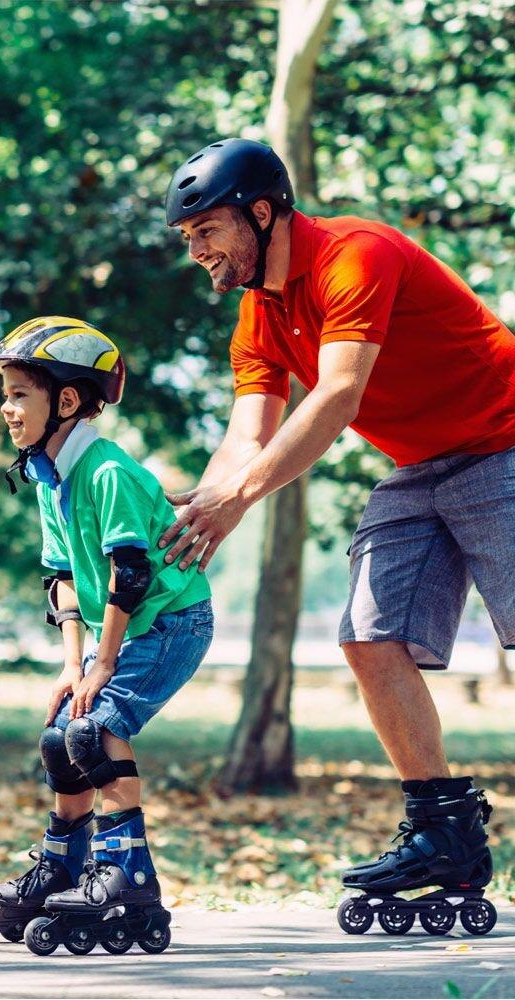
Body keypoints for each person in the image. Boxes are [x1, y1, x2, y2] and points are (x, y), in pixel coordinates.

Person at [161, 137, 513, 936]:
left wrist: (239, 499)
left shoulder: (356, 255)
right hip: (422, 465)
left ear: (260, 211)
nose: (198, 253)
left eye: (206, 231)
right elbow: (247, 436)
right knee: (368, 635)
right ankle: (444, 837)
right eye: (188, 240)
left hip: (507, 439)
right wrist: (203, 506)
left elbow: (339, 396)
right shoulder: (259, 314)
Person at [0, 316, 214, 956]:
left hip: (172, 621)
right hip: (123, 632)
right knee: (59, 737)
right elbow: (65, 578)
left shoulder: (105, 472)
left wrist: (104, 664)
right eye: (6, 394)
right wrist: (74, 666)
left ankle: (128, 877)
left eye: (21, 393)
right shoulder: (49, 474)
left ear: (67, 401)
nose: (7, 408)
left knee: (95, 732)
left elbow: (128, 575)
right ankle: (65, 867)